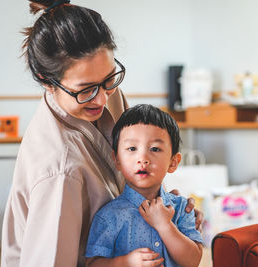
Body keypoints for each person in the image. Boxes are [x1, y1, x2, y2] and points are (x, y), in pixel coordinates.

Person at [1, 1, 202, 266]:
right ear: (46, 81)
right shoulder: (59, 170)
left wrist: (165, 209)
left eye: (109, 80)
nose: (102, 98)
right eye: (86, 89)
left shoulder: (104, 93)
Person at [85, 104, 203, 267]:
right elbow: (92, 264)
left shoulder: (182, 208)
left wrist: (165, 226)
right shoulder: (109, 215)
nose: (142, 158)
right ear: (117, 159)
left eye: (155, 148)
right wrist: (124, 263)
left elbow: (193, 261)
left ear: (173, 162)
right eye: (132, 148)